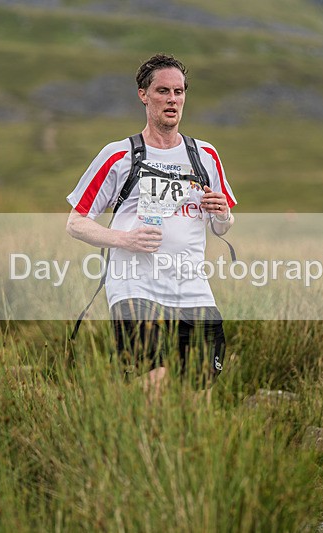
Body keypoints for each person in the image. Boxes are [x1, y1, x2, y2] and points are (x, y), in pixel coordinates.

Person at [66, 53, 237, 392]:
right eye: (163, 91)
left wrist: (222, 213)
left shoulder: (205, 155)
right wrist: (124, 239)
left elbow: (221, 226)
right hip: (135, 286)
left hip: (192, 289)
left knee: (196, 388)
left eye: (178, 92)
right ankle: (126, 426)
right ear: (143, 95)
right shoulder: (119, 155)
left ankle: (146, 424)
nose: (172, 99)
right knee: (153, 378)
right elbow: (76, 222)